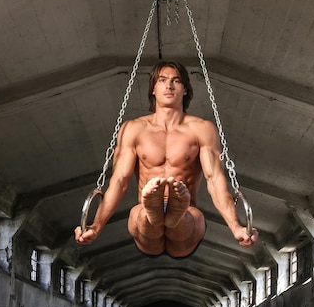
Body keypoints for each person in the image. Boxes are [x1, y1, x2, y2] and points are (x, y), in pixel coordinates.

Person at [74, 60, 257, 258]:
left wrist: (237, 227)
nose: (169, 86)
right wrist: (95, 226)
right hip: (146, 220)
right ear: (153, 89)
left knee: (186, 218)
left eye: (176, 81)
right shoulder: (133, 129)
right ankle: (155, 213)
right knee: (141, 215)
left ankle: (173, 215)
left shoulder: (202, 129)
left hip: (188, 215)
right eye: (162, 80)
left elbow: (215, 180)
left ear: (185, 89)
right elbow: (119, 181)